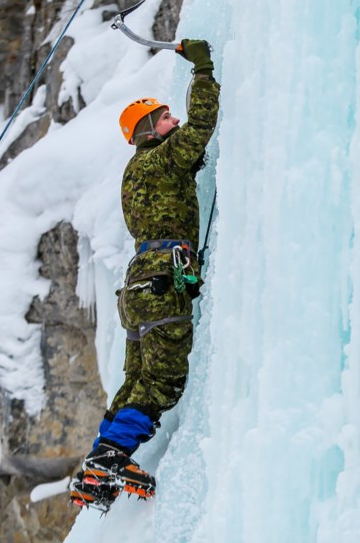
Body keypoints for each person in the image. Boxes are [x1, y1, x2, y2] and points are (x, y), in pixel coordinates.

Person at [70, 39, 219, 510]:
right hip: (159, 281)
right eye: (166, 118)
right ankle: (113, 457)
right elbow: (201, 129)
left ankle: (97, 466)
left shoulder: (135, 172)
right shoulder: (162, 154)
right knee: (162, 382)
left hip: (137, 286)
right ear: (150, 130)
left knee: (136, 382)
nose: (174, 122)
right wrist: (203, 68)